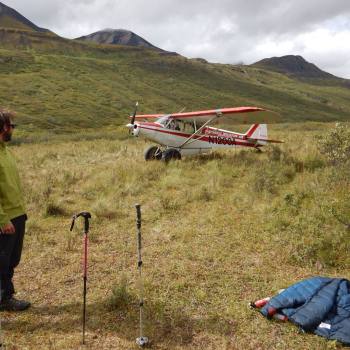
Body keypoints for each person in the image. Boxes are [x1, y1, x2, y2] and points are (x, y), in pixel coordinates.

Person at [0, 108, 30, 311]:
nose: (12, 129)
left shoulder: (5, 151)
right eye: (11, 125)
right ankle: (4, 298)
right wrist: (2, 219)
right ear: (3, 127)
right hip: (6, 218)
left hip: (17, 213)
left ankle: (5, 295)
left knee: (12, 259)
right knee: (2, 260)